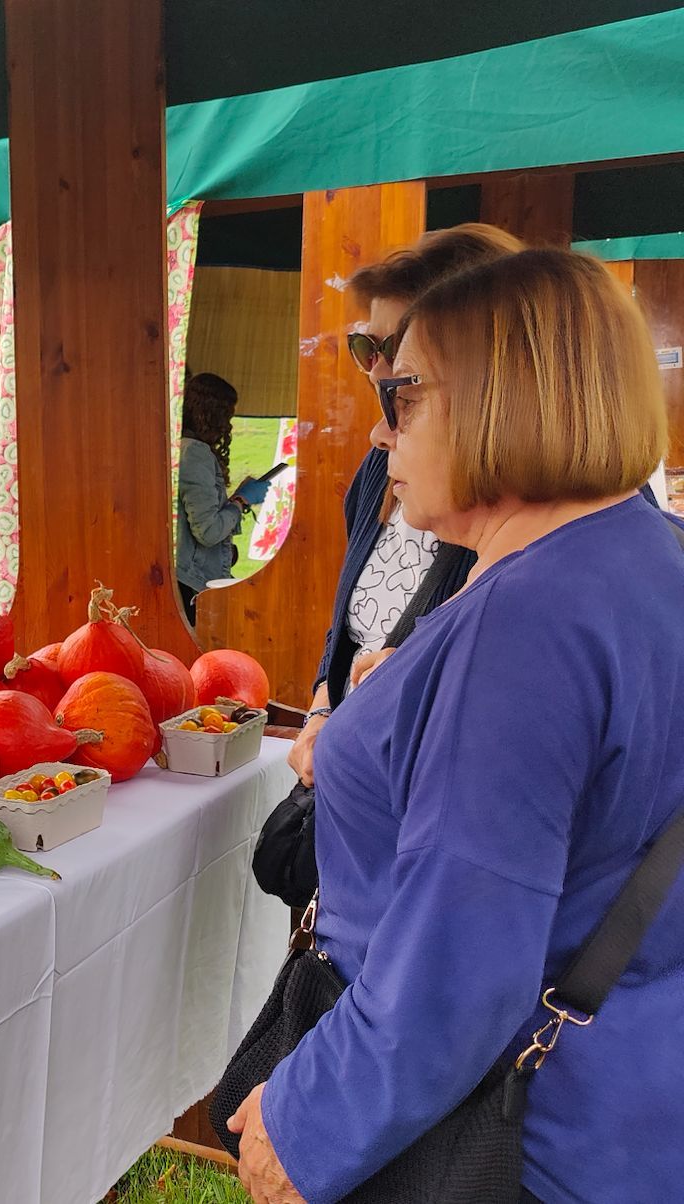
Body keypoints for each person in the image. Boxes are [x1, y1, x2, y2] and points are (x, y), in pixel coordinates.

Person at [227, 248, 684, 1204]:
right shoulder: (641, 556)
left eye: (404, 395)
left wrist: (304, 1120)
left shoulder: (526, 623)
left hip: (511, 1138)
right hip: (629, 1095)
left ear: (498, 401)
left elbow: (459, 961)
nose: (384, 435)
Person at [288, 224, 525, 786]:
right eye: (364, 347)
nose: (374, 370)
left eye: (393, 348)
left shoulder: (540, 507)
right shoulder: (381, 466)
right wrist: (323, 710)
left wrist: (420, 678)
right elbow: (348, 624)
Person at [176, 373, 267, 623]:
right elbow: (208, 531)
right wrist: (240, 502)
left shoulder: (180, 448)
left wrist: (237, 499)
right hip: (191, 582)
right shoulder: (194, 454)